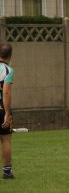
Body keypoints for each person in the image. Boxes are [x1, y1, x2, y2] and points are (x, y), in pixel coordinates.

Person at [0, 42, 15, 179]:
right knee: (5, 139)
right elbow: (6, 93)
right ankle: (6, 172)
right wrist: (7, 113)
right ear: (10, 56)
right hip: (0, 108)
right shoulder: (8, 70)